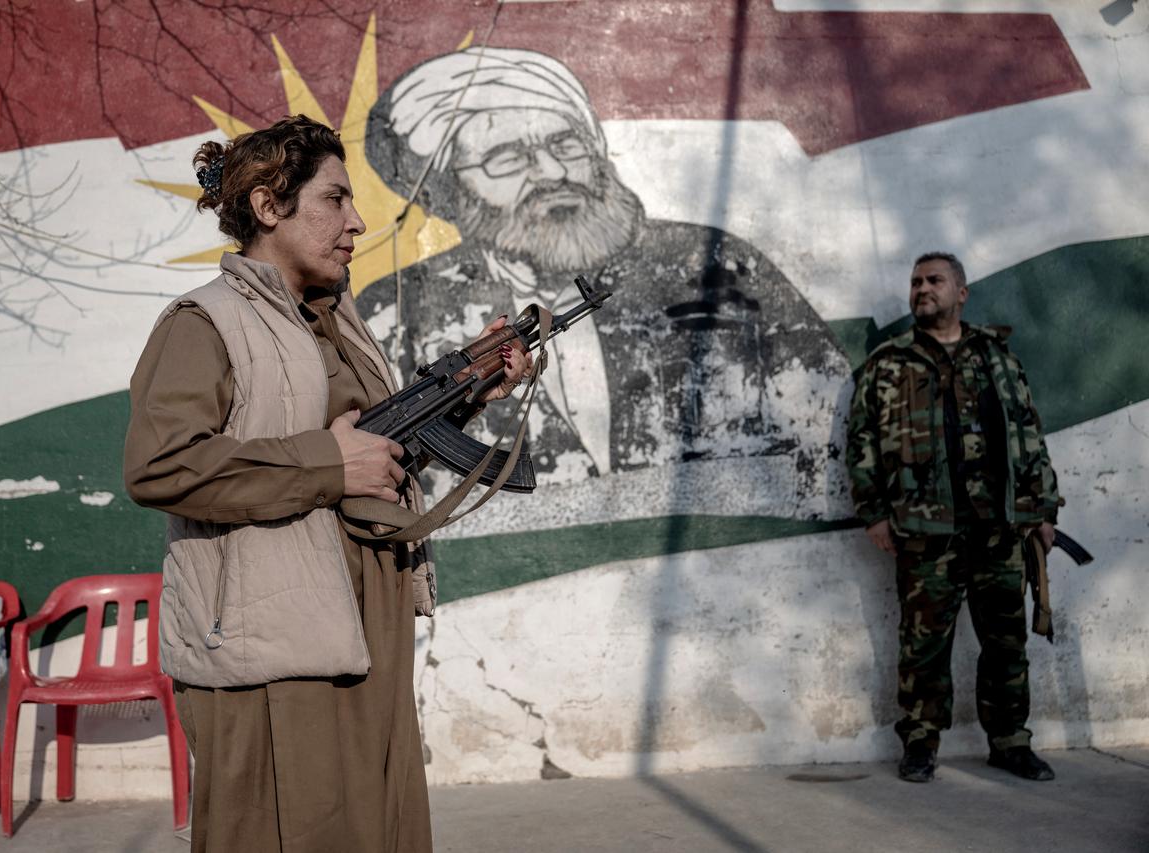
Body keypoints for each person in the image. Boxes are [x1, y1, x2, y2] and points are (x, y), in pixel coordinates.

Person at [123, 115, 528, 852]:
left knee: (375, 830)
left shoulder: (338, 321)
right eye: (335, 199)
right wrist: (326, 465)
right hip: (270, 653)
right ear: (271, 206)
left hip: (367, 626)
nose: (357, 221)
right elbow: (160, 464)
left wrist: (466, 390)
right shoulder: (203, 324)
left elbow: (373, 456)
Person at [360, 48, 850, 523]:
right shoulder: (394, 308)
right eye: (506, 159)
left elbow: (830, 415)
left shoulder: (716, 264)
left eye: (566, 145)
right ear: (445, 190)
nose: (553, 172)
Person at [846, 251, 1062, 783]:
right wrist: (874, 513)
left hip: (999, 530)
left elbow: (1028, 436)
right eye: (916, 282)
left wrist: (1042, 510)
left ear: (961, 293)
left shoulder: (998, 358)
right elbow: (861, 443)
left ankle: (1011, 742)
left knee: (1006, 643)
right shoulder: (887, 363)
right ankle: (920, 744)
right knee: (922, 649)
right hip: (926, 534)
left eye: (934, 280)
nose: (922, 289)